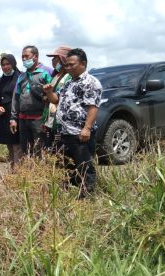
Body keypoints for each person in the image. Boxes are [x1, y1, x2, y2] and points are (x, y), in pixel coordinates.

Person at [45, 48, 101, 198]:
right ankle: (69, 193)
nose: (68, 68)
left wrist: (87, 128)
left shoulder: (90, 82)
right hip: (64, 132)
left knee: (84, 165)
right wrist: (49, 92)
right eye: (67, 65)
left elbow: (93, 107)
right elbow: (57, 101)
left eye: (71, 65)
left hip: (79, 133)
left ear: (83, 63)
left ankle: (87, 196)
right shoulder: (69, 83)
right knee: (65, 164)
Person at [10, 45, 53, 158]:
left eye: (26, 56)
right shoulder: (21, 77)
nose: (24, 59)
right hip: (23, 119)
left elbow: (52, 97)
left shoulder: (44, 74)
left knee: (39, 148)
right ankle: (27, 173)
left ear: (35, 57)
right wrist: (13, 118)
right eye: (22, 57)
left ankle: (38, 173)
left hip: (38, 119)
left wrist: (47, 119)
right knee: (25, 149)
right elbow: (16, 97)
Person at [0, 54, 23, 170]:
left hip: (16, 115)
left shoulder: (20, 78)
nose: (5, 67)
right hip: (4, 115)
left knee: (17, 145)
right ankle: (12, 168)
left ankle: (18, 171)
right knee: (9, 144)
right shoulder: (0, 81)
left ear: (13, 64)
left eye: (8, 64)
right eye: (3, 65)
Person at [41, 46, 72, 153]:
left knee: (60, 150)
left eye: (55, 58)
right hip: (50, 119)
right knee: (50, 149)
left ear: (63, 59)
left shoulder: (68, 77)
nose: (53, 61)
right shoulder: (56, 75)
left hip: (61, 120)